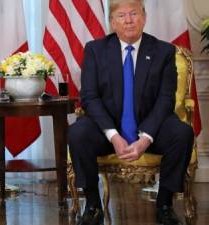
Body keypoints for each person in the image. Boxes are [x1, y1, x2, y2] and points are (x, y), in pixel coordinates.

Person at [68, 1, 194, 225]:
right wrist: (113, 135)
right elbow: (89, 97)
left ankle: (164, 204)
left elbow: (166, 100)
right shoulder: (95, 50)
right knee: (78, 132)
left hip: (151, 126)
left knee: (182, 133)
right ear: (112, 22)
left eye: (134, 14)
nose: (128, 20)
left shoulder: (163, 51)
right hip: (108, 129)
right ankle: (93, 205)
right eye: (121, 15)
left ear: (144, 17)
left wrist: (145, 139)